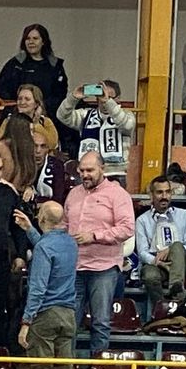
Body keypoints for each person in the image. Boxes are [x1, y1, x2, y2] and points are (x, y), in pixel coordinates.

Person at [61, 151, 134, 354]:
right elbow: (65, 224)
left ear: (103, 169)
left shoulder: (118, 194)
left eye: (90, 170)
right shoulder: (73, 193)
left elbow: (127, 228)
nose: (85, 175)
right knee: (69, 323)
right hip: (75, 266)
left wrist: (94, 236)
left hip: (104, 267)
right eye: (82, 170)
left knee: (100, 322)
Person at [15, 199, 77, 361]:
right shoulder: (71, 243)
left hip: (46, 315)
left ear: (41, 219)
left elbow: (38, 288)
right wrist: (30, 229)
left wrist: (26, 322)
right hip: (68, 315)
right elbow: (50, 247)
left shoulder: (44, 247)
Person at [56, 80, 134, 185]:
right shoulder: (86, 115)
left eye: (109, 97)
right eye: (101, 96)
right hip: (88, 173)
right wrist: (73, 98)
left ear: (118, 98)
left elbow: (127, 125)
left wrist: (108, 102)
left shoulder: (126, 115)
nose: (104, 100)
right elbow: (62, 116)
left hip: (114, 174)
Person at [0, 23, 68, 124]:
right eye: (28, 38)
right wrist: (21, 105)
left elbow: (60, 95)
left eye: (35, 38)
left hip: (48, 117)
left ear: (43, 42)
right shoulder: (15, 64)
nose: (31, 42)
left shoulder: (54, 66)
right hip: (17, 116)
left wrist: (42, 107)